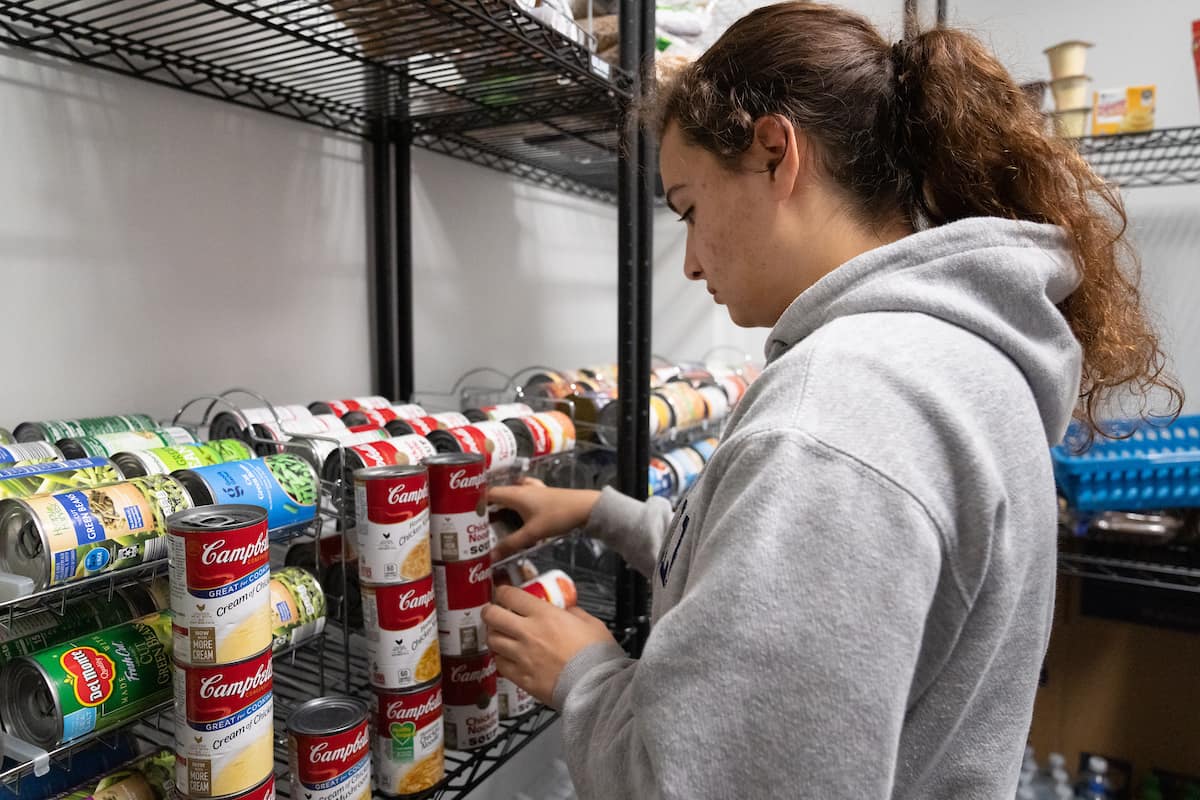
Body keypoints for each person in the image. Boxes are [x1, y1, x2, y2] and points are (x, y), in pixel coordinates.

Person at [479, 3, 1182, 798]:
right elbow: (774, 575)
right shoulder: (942, 359)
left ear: (777, 153)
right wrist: (598, 512)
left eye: (690, 208)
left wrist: (583, 672)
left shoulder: (837, 413)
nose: (688, 260)